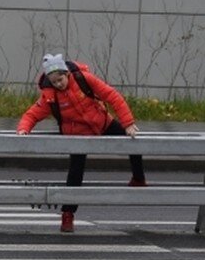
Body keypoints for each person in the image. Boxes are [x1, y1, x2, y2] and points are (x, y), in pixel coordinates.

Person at [17, 53, 146, 233]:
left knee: (134, 143)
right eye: (54, 82)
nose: (58, 84)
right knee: (75, 173)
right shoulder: (50, 95)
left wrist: (128, 123)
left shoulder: (83, 79)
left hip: (103, 123)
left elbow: (112, 96)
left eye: (60, 79)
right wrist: (24, 129)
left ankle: (138, 179)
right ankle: (67, 214)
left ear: (67, 73)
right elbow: (32, 114)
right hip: (76, 136)